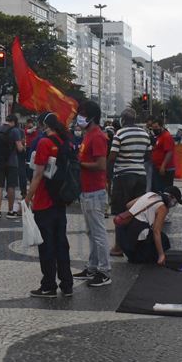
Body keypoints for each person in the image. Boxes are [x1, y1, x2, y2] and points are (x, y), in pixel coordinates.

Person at [25, 112, 73, 298]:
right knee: (61, 243)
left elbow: (37, 175)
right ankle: (67, 284)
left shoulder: (45, 143)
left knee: (46, 246)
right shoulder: (64, 142)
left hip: (45, 201)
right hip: (60, 200)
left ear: (45, 125)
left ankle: (48, 285)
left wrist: (28, 197)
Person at [72, 100, 112, 287]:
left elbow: (101, 165)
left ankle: (104, 271)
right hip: (86, 190)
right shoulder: (88, 135)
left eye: (82, 114)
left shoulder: (97, 137)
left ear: (92, 118)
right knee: (91, 232)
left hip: (95, 191)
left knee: (98, 233)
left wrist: (80, 164)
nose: (79, 117)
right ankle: (92, 266)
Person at [108, 108, 152, 256]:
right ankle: (133, 245)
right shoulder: (145, 134)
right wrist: (136, 161)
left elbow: (113, 156)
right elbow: (148, 155)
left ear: (123, 119)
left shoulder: (120, 133)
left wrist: (109, 172)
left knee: (121, 211)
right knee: (136, 211)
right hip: (140, 175)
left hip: (123, 176)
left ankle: (118, 247)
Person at [120, 186, 182, 264]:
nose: (174, 205)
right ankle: (143, 256)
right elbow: (156, 231)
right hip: (135, 242)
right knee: (163, 239)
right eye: (175, 202)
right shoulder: (163, 207)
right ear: (171, 197)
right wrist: (161, 255)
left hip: (123, 239)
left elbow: (128, 205)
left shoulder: (150, 194)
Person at [0, 114, 25, 220]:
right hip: (12, 163)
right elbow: (19, 149)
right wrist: (24, 147)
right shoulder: (14, 131)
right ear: (14, 122)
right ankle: (10, 211)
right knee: (11, 186)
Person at [149, 118, 176, 192]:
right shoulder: (159, 137)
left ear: (161, 126)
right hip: (157, 168)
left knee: (164, 191)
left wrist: (163, 166)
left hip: (165, 169)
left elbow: (169, 152)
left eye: (156, 127)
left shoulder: (166, 136)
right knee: (156, 190)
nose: (154, 130)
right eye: (153, 128)